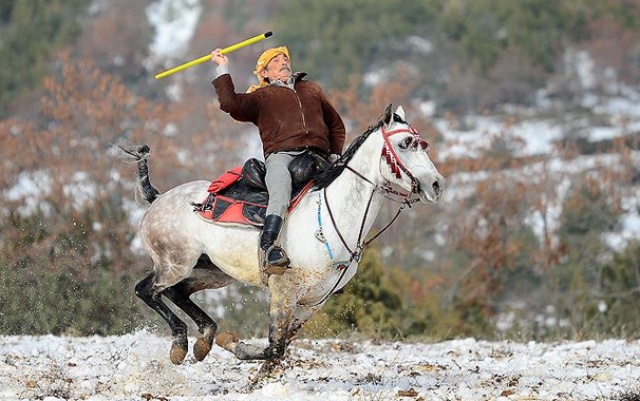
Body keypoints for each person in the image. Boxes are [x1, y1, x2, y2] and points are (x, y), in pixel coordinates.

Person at [210, 46, 346, 272]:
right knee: (281, 189)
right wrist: (222, 67)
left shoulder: (311, 89)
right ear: (264, 73)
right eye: (275, 61)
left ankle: (341, 252)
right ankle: (270, 247)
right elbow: (230, 104)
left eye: (284, 58)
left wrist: (335, 154)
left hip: (320, 155)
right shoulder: (262, 96)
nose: (283, 62)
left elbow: (336, 125)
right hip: (282, 155)